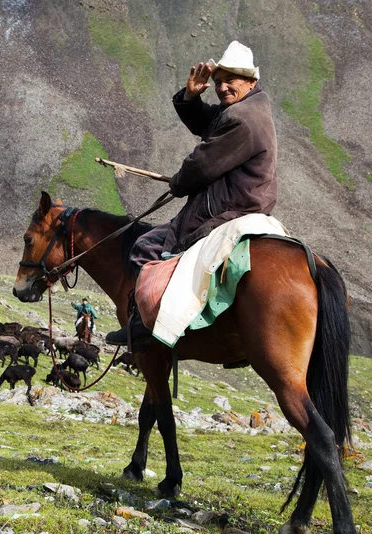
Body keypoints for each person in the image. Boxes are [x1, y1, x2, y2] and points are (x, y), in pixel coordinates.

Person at [106, 41, 278, 346]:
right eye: (218, 82)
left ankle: (144, 322)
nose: (223, 88)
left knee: (146, 245)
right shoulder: (247, 108)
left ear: (251, 82)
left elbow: (202, 163)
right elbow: (211, 124)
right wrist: (190, 98)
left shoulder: (242, 118)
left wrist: (179, 183)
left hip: (228, 208)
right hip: (245, 203)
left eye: (231, 81)